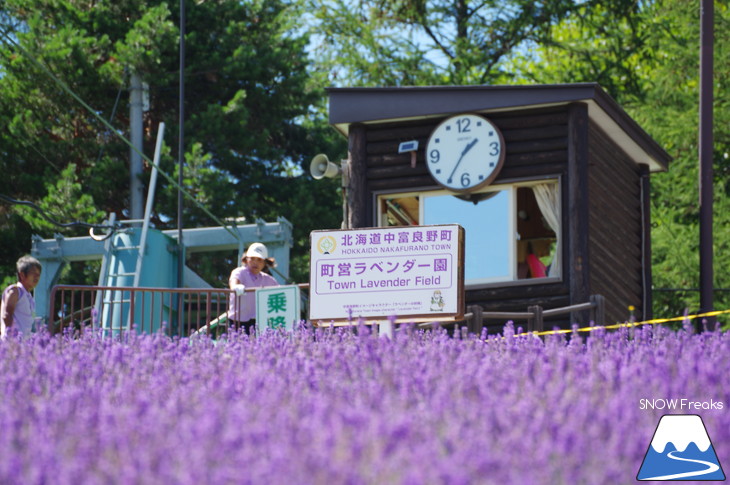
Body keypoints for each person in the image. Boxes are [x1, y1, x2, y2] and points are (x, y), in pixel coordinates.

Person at [228, 243, 279, 334]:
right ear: (246, 259)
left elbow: (282, 293)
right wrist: (236, 287)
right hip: (237, 321)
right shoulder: (239, 272)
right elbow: (233, 283)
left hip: (258, 322)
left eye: (259, 260)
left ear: (264, 262)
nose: (255, 262)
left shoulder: (269, 280)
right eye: (252, 259)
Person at [1, 255, 42, 339]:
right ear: (22, 275)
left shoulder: (29, 296)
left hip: (24, 344)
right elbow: (6, 315)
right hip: (12, 343)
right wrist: (12, 338)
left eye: (38, 274)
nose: (37, 277)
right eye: (33, 273)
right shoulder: (15, 291)